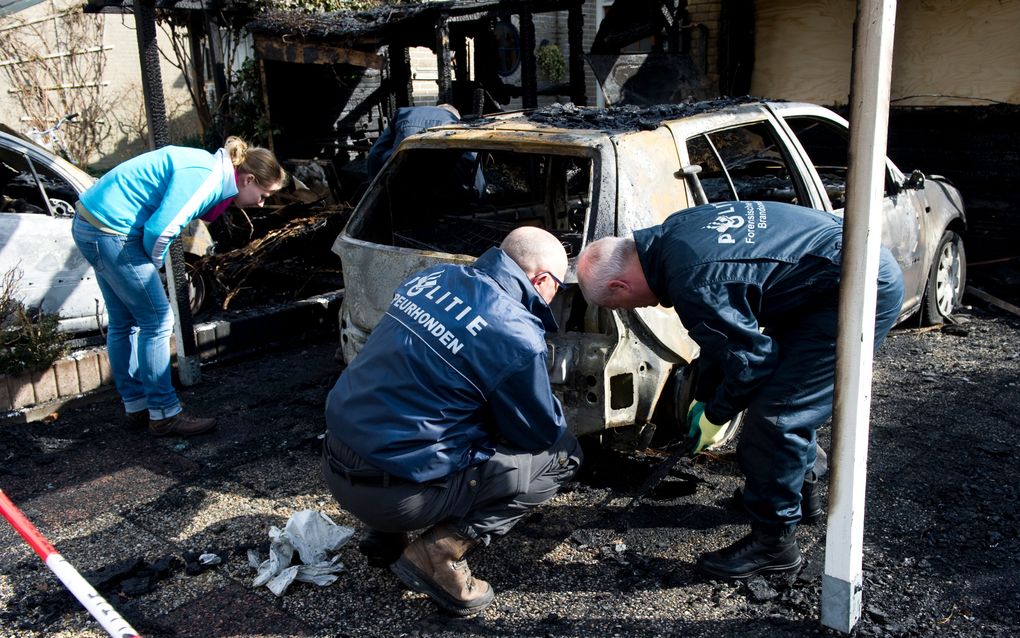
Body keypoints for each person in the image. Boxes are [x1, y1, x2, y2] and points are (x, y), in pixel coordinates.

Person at [575, 200, 904, 580]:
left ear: (620, 285)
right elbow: (724, 338)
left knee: (778, 417)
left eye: (620, 305)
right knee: (785, 396)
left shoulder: (692, 280)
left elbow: (752, 364)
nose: (633, 309)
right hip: (821, 279)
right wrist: (704, 395)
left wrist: (716, 413)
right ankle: (798, 495)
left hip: (856, 285)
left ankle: (774, 544)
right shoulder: (674, 234)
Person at [322, 226, 582, 616]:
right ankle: (439, 555)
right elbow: (538, 432)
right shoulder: (516, 332)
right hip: (397, 499)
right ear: (542, 280)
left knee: (420, 406)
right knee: (562, 457)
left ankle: (385, 538)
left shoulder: (432, 277)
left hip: (334, 462)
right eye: (557, 289)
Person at [71, 137, 286, 437]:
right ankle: (164, 413)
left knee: (125, 322)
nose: (261, 203)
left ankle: (137, 405)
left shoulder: (208, 165)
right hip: (112, 232)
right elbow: (161, 230)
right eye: (263, 194)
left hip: (91, 223)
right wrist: (154, 266)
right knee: (158, 320)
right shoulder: (207, 177)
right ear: (248, 179)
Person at [366, 104, 485, 201]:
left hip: (401, 175)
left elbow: (374, 153)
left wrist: (373, 192)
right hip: (434, 186)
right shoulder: (454, 121)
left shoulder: (402, 112)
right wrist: (481, 194)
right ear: (455, 115)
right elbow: (472, 160)